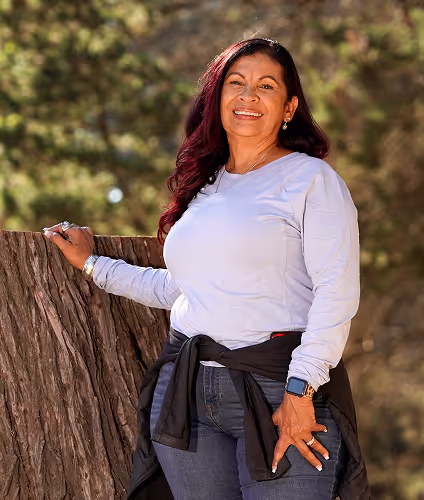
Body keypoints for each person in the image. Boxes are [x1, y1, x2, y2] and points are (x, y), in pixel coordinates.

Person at [43, 38, 370, 500]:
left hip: (279, 393)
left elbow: (336, 292)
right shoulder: (206, 186)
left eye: (266, 86)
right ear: (217, 98)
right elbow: (183, 290)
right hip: (187, 394)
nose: (248, 96)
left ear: (289, 106)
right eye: (236, 84)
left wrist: (301, 390)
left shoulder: (311, 181)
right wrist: (94, 265)